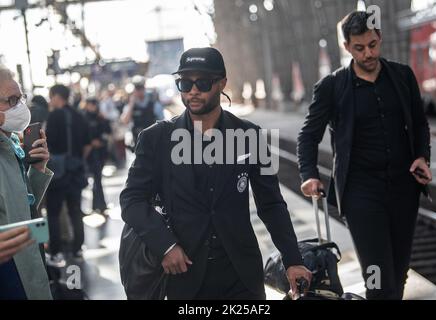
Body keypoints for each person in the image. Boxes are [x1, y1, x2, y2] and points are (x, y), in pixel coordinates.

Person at [120, 47, 312, 300]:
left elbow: (272, 204)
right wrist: (165, 245)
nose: (193, 90)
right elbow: (132, 200)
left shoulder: (251, 136)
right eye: (185, 83)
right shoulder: (155, 139)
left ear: (222, 83)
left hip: (241, 274)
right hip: (184, 274)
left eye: (202, 82)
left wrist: (293, 259)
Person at [297, 11, 432, 300]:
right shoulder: (332, 87)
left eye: (373, 44)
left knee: (399, 272)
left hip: (403, 189)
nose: (368, 53)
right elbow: (308, 135)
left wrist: (422, 156)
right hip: (361, 194)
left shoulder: (402, 76)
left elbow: (420, 123)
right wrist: (308, 174)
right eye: (359, 48)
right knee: (377, 277)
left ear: (379, 38)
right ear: (347, 47)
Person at [0, 65, 53, 299]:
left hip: (27, 258)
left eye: (20, 98)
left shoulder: (10, 143)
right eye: (10, 100)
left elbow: (20, 206)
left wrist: (38, 168)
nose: (19, 107)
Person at [45, 85, 91, 265]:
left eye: (51, 97)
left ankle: (56, 251)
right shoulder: (80, 116)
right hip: (76, 170)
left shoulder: (54, 116)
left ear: (57, 97)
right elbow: (87, 145)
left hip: (58, 173)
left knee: (54, 213)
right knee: (75, 211)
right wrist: (76, 160)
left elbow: (47, 144)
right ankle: (78, 248)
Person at [84, 98, 111, 214]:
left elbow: (107, 133)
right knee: (96, 179)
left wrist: (100, 142)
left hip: (100, 153)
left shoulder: (101, 118)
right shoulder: (84, 118)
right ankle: (98, 204)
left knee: (98, 179)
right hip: (89, 153)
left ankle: (98, 204)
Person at [120, 83, 157, 151]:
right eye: (137, 89)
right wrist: (131, 104)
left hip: (153, 140)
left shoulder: (152, 102)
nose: (139, 92)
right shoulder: (130, 105)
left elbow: (161, 119)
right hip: (137, 141)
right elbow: (125, 121)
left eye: (141, 89)